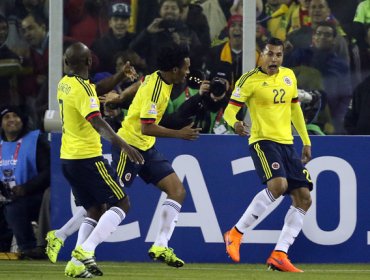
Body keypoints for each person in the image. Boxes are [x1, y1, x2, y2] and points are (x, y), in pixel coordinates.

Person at [223, 37, 313, 272]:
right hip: (263, 141)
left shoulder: (289, 76)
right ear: (261, 54)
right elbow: (229, 112)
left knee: (304, 198)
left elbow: (295, 109)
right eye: (270, 54)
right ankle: (235, 233)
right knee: (278, 185)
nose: (274, 59)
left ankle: (280, 254)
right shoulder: (249, 80)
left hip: (287, 143)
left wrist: (305, 140)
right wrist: (235, 123)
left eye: (278, 55)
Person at [56, 42, 144, 277]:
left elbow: (94, 89)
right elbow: (97, 121)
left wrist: (119, 76)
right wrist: (123, 144)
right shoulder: (83, 90)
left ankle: (75, 264)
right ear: (89, 62)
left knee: (94, 208)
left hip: (68, 159)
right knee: (122, 203)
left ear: (66, 63)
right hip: (88, 158)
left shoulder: (65, 84)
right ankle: (86, 250)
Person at [110, 43, 201, 268]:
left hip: (146, 148)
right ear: (174, 69)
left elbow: (140, 82)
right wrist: (179, 134)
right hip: (129, 145)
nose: (189, 72)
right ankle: (64, 237)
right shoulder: (157, 90)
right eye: (186, 68)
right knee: (107, 201)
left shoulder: (158, 78)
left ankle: (160, 245)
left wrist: (121, 98)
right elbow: (147, 127)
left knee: (177, 191)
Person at [0, 106, 49, 259]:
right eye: (7, 117)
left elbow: (48, 172)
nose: (12, 120)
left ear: (23, 120)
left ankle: (28, 248)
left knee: (14, 207)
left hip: (34, 196)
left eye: (16, 116)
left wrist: (26, 188)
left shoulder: (35, 140)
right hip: (5, 196)